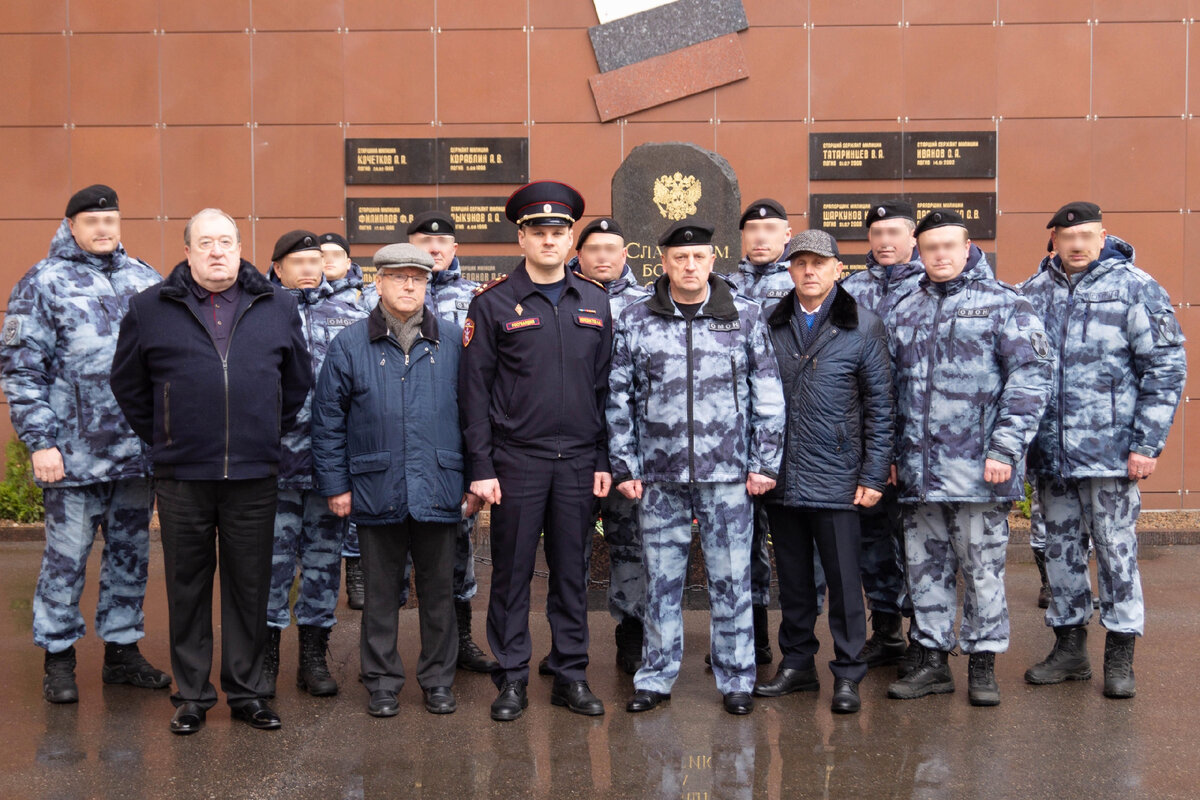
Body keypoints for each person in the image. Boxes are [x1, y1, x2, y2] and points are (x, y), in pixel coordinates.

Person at [110, 208, 312, 735]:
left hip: (253, 473)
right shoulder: (150, 307)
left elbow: (296, 382)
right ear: (188, 251)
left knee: (250, 585)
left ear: (240, 246)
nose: (217, 251)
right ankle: (193, 695)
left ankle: (248, 694)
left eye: (226, 241)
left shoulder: (278, 304)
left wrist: (264, 428)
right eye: (205, 243)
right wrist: (166, 435)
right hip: (183, 475)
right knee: (187, 585)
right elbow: (128, 384)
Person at [607, 219, 785, 715]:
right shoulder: (637, 319)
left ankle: (736, 678)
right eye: (679, 258)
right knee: (660, 581)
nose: (689, 265)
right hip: (659, 477)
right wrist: (625, 465)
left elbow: (768, 396)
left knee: (732, 580)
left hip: (728, 475)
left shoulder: (745, 317)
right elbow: (618, 397)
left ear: (713, 260)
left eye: (699, 257)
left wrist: (764, 463)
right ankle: (656, 677)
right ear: (663, 263)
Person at [0, 184, 168, 704]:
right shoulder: (42, 282)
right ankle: (58, 658)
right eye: (92, 221)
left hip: (135, 456)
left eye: (111, 221)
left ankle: (121, 654)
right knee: (66, 559)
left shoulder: (145, 279)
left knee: (130, 557)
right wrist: (40, 442)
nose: (103, 229)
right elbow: (21, 369)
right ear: (71, 224)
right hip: (71, 455)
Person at [459, 180, 613, 721]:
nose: (550, 240)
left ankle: (570, 673)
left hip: (577, 461)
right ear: (521, 237)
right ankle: (512, 677)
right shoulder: (494, 302)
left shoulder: (594, 300)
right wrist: (480, 467)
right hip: (515, 460)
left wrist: (602, 459)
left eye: (559, 231)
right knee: (512, 574)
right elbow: (473, 395)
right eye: (539, 232)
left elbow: (604, 390)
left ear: (572, 239)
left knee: (572, 573)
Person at [885, 210, 1053, 707]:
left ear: (966, 246)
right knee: (924, 570)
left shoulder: (1005, 304)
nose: (939, 255)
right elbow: (889, 389)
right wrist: (892, 456)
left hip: (981, 470)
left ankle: (982, 664)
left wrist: (1005, 449)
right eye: (930, 247)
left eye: (948, 246)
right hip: (918, 472)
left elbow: (1029, 381)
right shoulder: (904, 307)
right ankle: (934, 661)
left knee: (981, 570)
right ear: (919, 250)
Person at [1020, 201, 1186, 699]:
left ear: (1102, 236)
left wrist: (1147, 443)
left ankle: (1120, 653)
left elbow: (1165, 369)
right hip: (1051, 456)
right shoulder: (1032, 292)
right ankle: (1070, 649)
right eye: (1067, 237)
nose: (1076, 245)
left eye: (1086, 236)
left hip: (1112, 455)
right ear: (1053, 239)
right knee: (1060, 551)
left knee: (1115, 552)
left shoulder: (1136, 287)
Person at [313, 243, 473, 717]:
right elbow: (327, 421)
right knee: (380, 596)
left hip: (440, 483)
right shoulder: (350, 344)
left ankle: (438, 681)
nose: (408, 285)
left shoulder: (451, 340)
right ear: (377, 282)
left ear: (427, 284)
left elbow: (475, 416)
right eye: (398, 277)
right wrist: (336, 485)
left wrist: (474, 480)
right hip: (374, 483)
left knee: (439, 593)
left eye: (417, 278)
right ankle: (382, 682)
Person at [755, 229, 893, 715]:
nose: (808, 272)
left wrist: (873, 476)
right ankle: (796, 665)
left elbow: (880, 405)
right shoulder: (770, 323)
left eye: (819, 263)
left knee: (842, 582)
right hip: (784, 476)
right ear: (788, 271)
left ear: (838, 268)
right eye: (800, 264)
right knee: (792, 581)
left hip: (838, 477)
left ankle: (849, 671)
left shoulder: (864, 325)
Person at [263, 230, 368, 698]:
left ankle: (312, 657)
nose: (308, 269)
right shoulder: (258, 312)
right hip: (273, 465)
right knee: (271, 566)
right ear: (277, 268)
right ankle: (264, 659)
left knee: (324, 565)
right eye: (297, 261)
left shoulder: (352, 314)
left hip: (330, 467)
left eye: (315, 260)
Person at [403, 211, 497, 675]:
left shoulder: (478, 298)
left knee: (459, 545)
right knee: (394, 549)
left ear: (456, 249)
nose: (435, 249)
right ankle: (388, 649)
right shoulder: (379, 298)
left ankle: (461, 641)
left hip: (455, 439)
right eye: (425, 242)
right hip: (400, 437)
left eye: (443, 243)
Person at [838, 201, 925, 673]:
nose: (885, 241)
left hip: (923, 441)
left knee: (919, 541)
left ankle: (924, 638)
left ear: (913, 237)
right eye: (876, 233)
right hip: (868, 440)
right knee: (872, 538)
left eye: (894, 232)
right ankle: (887, 629)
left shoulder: (929, 283)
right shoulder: (850, 289)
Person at [567, 217, 651, 675]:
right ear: (578, 254)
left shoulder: (648, 303)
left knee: (630, 547)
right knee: (568, 548)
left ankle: (632, 637)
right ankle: (568, 640)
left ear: (625, 254)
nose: (602, 256)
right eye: (593, 248)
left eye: (611, 249)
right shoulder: (560, 296)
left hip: (629, 451)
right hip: (574, 447)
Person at [727, 198, 799, 662]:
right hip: (737, 437)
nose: (760, 238)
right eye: (752, 229)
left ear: (787, 234)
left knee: (795, 544)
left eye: (770, 229)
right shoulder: (723, 286)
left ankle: (799, 645)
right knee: (743, 543)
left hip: (798, 435)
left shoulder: (805, 279)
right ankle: (752, 639)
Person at [317, 231, 370, 611]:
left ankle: (356, 571)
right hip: (307, 420)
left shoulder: (365, 300)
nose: (327, 260)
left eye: (336, 254)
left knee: (353, 503)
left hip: (354, 415)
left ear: (349, 261)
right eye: (320, 254)